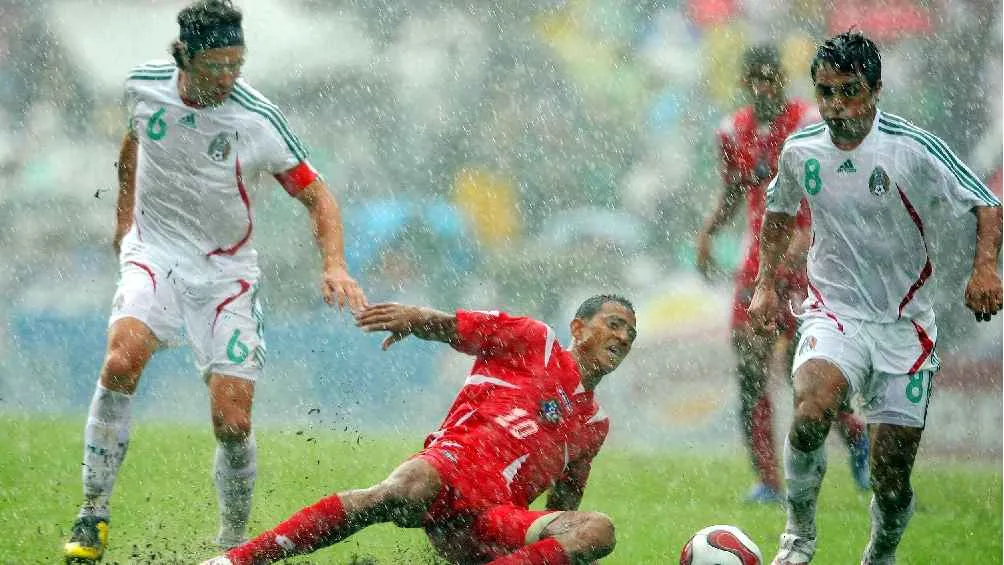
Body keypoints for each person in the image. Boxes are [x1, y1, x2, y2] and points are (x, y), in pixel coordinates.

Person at [63, 1, 367, 562]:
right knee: (121, 360)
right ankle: (91, 515)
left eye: (237, 64)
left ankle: (231, 545)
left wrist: (334, 265)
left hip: (226, 274)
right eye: (215, 66)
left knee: (232, 421)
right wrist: (124, 222)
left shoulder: (257, 119)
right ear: (184, 57)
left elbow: (318, 195)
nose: (228, 77)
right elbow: (133, 144)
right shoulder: (142, 86)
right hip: (155, 253)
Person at [749, 31, 1002, 565]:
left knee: (890, 476)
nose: (836, 105)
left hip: (905, 325)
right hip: (833, 311)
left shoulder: (911, 147)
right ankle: (797, 539)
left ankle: (881, 555)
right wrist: (765, 285)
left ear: (876, 90)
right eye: (826, 92)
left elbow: (985, 202)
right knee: (811, 411)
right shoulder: (801, 150)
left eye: (850, 91)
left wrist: (984, 269)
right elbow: (778, 212)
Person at [201, 295, 638, 565]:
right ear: (577, 328)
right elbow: (455, 327)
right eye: (614, 324)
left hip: (491, 520)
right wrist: (413, 318)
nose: (622, 337)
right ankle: (237, 560)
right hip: (448, 471)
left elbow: (563, 506)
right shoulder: (534, 341)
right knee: (403, 488)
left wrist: (568, 545)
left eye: (630, 334)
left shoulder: (595, 425)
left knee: (598, 530)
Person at [696, 44, 869, 504]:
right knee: (749, 371)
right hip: (758, 267)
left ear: (781, 79)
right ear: (744, 83)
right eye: (755, 79)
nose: (763, 87)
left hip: (811, 267)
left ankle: (857, 438)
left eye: (770, 78)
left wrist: (804, 240)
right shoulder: (732, 131)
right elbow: (734, 189)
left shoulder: (811, 123)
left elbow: (833, 190)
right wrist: (709, 233)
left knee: (806, 375)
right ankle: (768, 481)